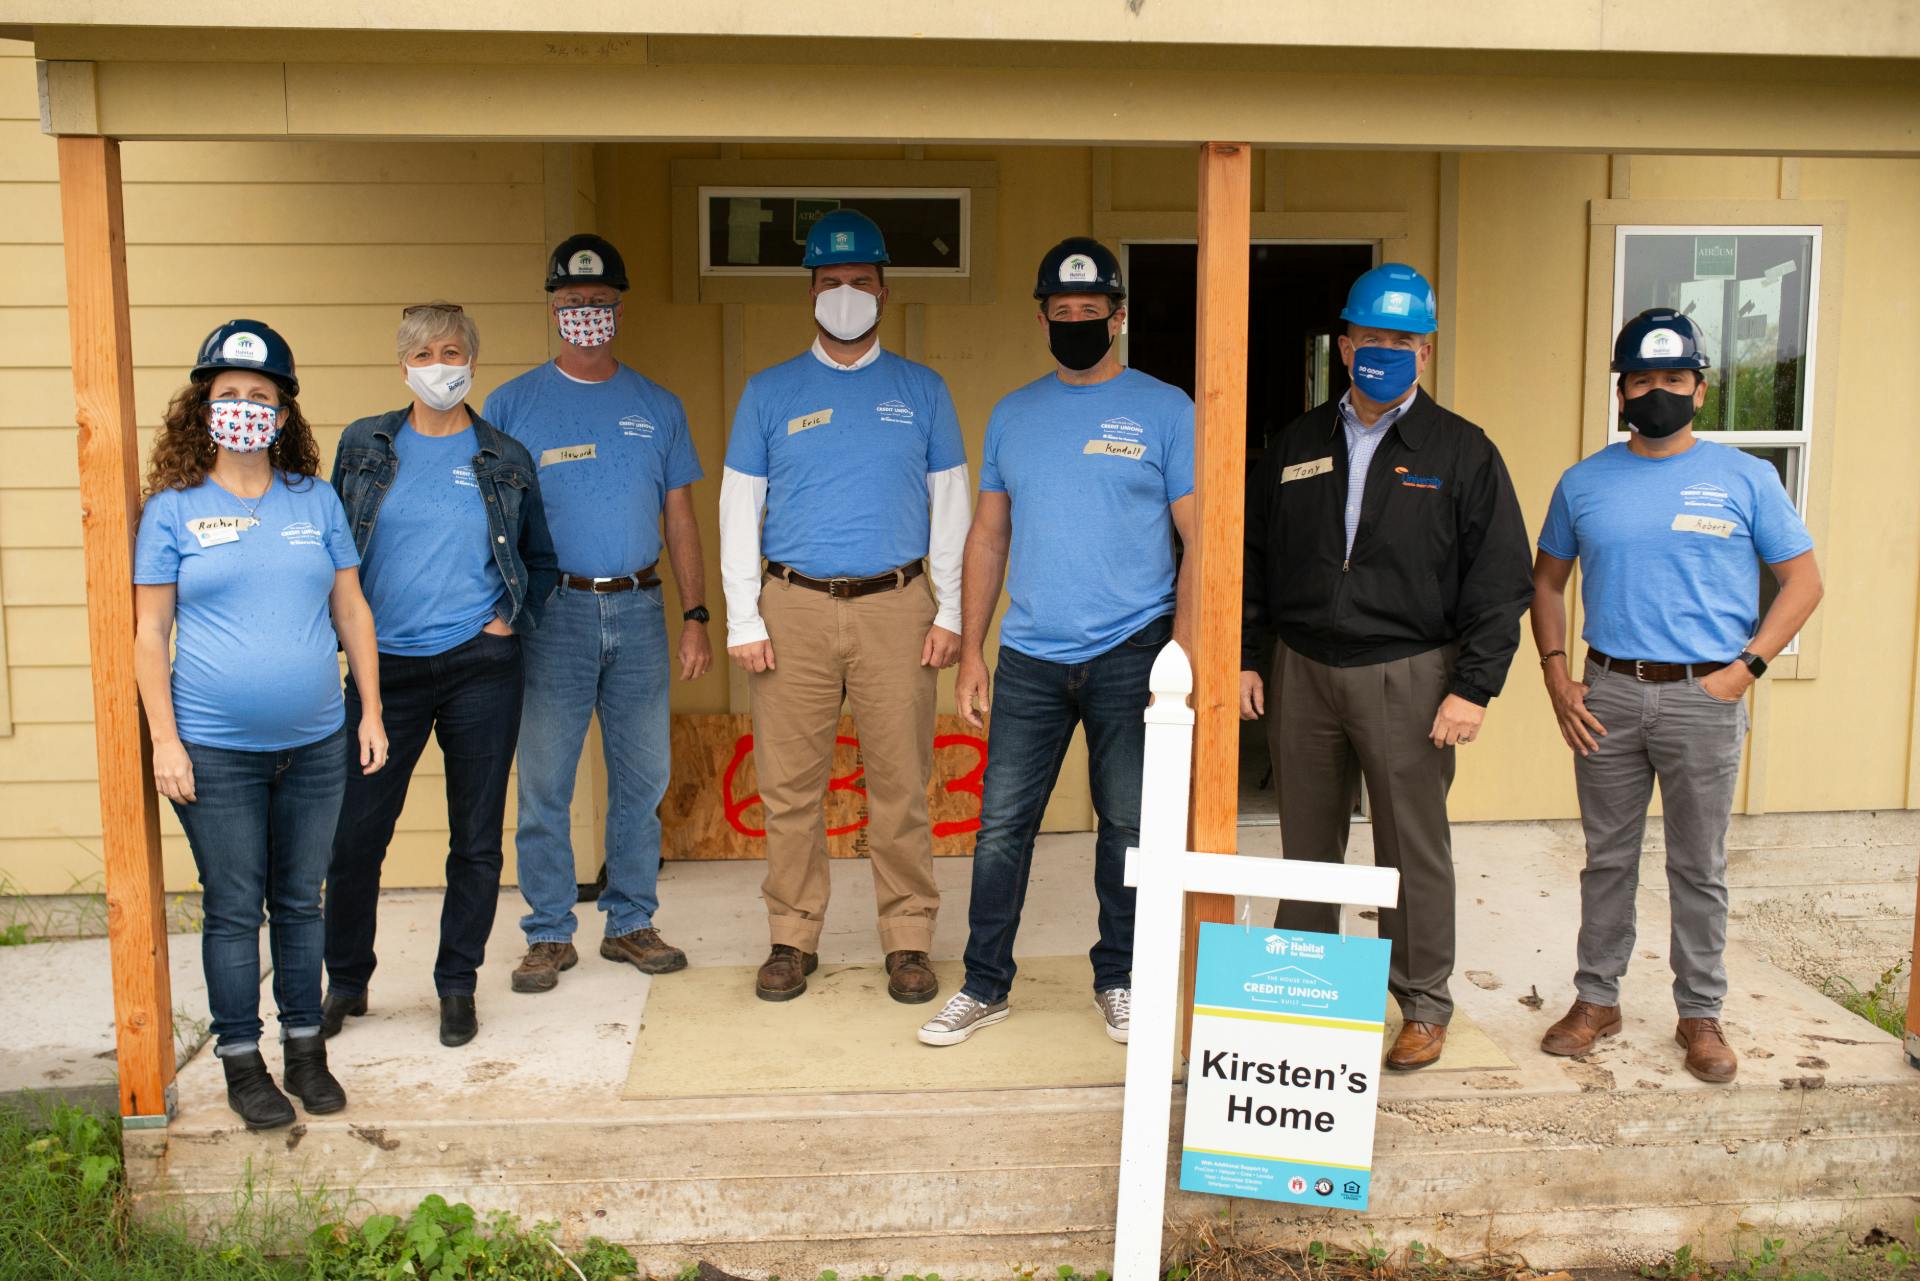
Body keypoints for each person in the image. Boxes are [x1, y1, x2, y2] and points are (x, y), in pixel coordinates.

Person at [1238, 263, 1532, 1071]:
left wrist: (1473, 686)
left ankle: (1423, 1001)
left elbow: (1500, 579)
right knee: (1308, 843)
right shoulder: (1296, 442)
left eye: (1402, 339)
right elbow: (1252, 557)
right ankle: (1308, 987)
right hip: (1302, 670)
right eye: (1371, 337)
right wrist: (1245, 657)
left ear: (1426, 352)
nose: (1384, 351)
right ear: (1344, 344)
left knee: (1412, 846)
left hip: (1411, 674)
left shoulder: (1462, 451)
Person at [1530, 308, 1823, 1084]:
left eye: (1673, 378)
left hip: (1705, 695)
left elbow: (1804, 581)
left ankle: (1700, 1013)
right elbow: (1547, 581)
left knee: (1699, 865)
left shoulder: (1746, 478)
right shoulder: (1584, 481)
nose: (1656, 391)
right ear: (1621, 390)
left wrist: (1746, 669)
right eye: (1642, 379)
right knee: (1608, 860)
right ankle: (1597, 999)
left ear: (1700, 388)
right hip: (1610, 693)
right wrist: (1558, 674)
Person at [918, 237, 1195, 1048]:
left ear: (1118, 316)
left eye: (1091, 311)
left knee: (1128, 827)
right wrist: (972, 650)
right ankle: (985, 983)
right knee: (1002, 825)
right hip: (1032, 655)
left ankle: (1120, 977)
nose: (1077, 322)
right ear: (1042, 316)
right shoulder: (1013, 412)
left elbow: (1198, 539)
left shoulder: (1166, 408)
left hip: (1131, 650)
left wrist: (1178, 655)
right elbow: (988, 538)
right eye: (1062, 312)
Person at [132, 320, 386, 1129]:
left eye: (261, 396)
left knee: (303, 902)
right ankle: (243, 1062)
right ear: (205, 404)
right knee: (236, 907)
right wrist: (164, 740)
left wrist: (370, 710)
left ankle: (306, 1052)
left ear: (283, 413)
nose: (244, 407)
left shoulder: (314, 501)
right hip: (214, 751)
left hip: (315, 744)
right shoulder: (173, 510)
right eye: (230, 394)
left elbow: (351, 607)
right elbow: (148, 635)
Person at [720, 210, 969, 1004]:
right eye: (831, 283)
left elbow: (952, 506)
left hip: (897, 605)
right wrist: (742, 616)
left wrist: (951, 610)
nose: (847, 295)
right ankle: (792, 936)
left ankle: (908, 939)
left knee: (900, 783)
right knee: (791, 787)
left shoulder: (921, 390)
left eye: (861, 282)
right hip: (791, 603)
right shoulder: (769, 392)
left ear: (885, 291)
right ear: (811, 293)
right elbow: (737, 507)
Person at [321, 303, 558, 1049]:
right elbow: (334, 555)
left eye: (451, 351)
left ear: (471, 363)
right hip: (380, 671)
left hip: (479, 669)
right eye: (423, 353)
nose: (438, 365)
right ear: (403, 365)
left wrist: (506, 621)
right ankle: (347, 979)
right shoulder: (364, 444)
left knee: (476, 839)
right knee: (354, 836)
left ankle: (457, 983)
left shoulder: (506, 457)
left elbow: (541, 563)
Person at [485, 235, 710, 995]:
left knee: (643, 776)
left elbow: (680, 516)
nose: (586, 313)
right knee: (545, 778)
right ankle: (548, 932)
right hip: (555, 614)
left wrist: (697, 613)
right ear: (551, 306)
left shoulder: (657, 405)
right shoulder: (512, 404)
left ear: (619, 305)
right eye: (572, 303)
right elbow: (490, 518)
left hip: (642, 608)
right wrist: (499, 609)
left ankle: (629, 921)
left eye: (600, 302)